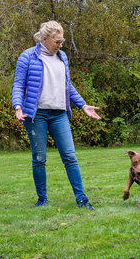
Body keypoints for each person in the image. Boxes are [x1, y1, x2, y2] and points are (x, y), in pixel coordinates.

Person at [12, 20, 101, 209]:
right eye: (57, 42)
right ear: (44, 39)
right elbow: (19, 84)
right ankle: (42, 199)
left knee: (70, 156)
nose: (60, 45)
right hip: (36, 116)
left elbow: (67, 86)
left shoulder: (62, 57)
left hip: (59, 114)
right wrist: (18, 106)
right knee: (39, 158)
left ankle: (81, 198)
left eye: (62, 42)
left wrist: (83, 105)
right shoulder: (27, 57)